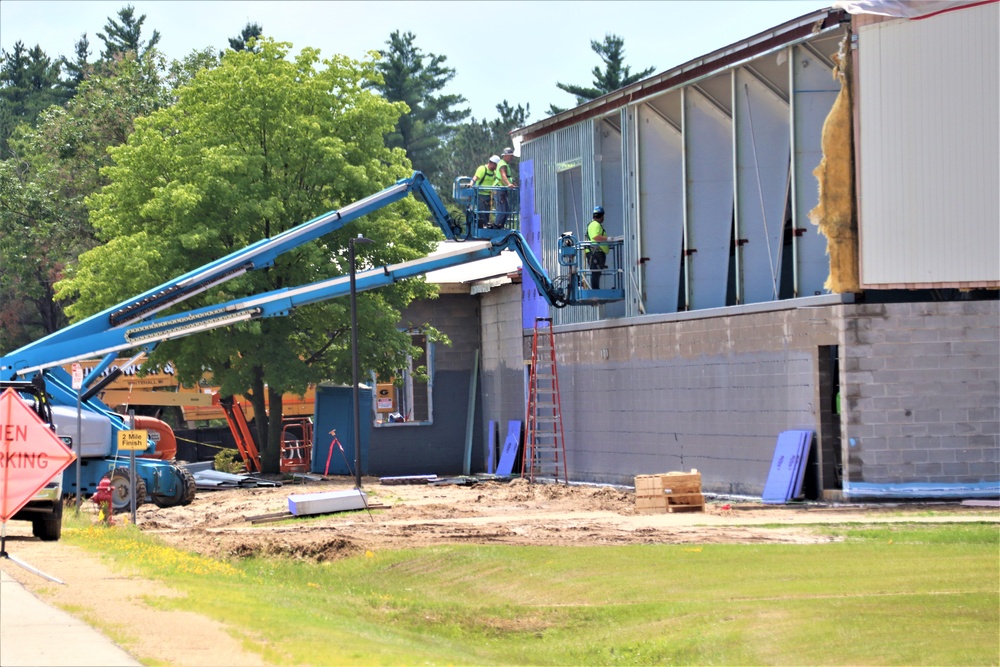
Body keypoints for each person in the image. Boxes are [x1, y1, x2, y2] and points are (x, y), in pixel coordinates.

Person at [471, 155, 501, 228]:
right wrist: (471, 184)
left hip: (489, 196)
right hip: (480, 195)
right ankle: (483, 227)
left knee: (487, 213)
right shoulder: (482, 169)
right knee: (482, 213)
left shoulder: (494, 173)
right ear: (492, 163)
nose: (496, 167)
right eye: (496, 165)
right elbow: (475, 177)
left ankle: (486, 226)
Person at [586, 205, 610, 289]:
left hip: (595, 252)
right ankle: (595, 290)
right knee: (596, 272)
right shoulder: (595, 225)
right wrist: (608, 239)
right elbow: (596, 237)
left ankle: (595, 289)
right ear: (602, 215)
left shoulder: (593, 225)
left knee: (596, 272)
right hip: (595, 253)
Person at [495, 148, 517, 228]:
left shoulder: (505, 164)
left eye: (512, 156)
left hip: (502, 190)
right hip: (499, 189)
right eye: (510, 156)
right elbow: (503, 175)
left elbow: (507, 176)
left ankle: (500, 226)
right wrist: (508, 184)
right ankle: (497, 226)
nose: (512, 158)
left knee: (507, 210)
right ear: (505, 156)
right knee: (502, 210)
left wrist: (513, 183)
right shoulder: (502, 164)